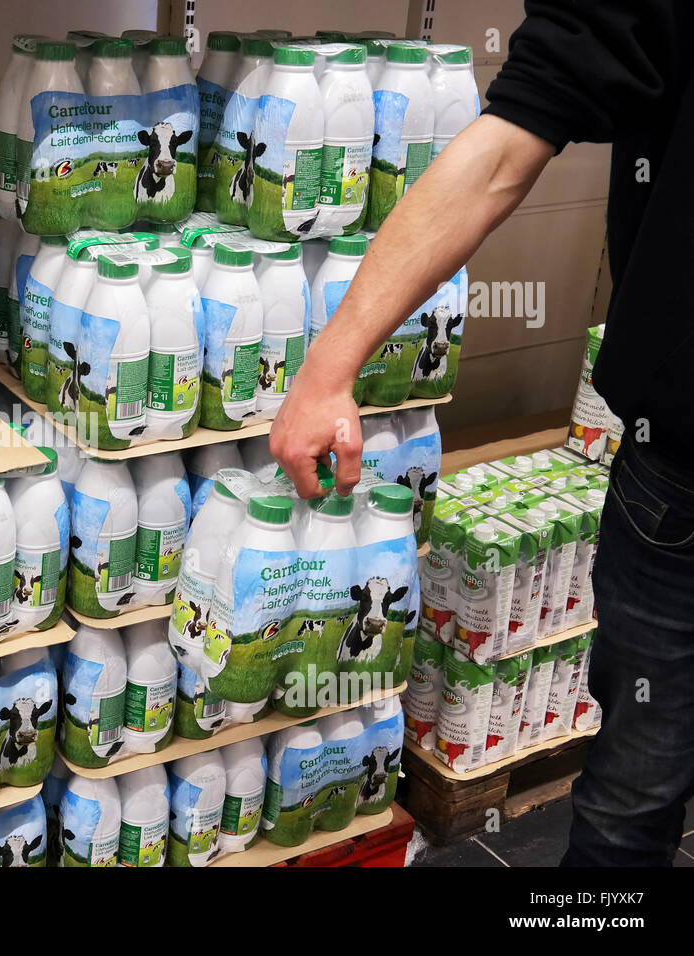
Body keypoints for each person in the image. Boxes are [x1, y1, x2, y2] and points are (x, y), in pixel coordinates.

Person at [269, 1, 694, 866]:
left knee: (632, 802)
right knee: (631, 800)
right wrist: (328, 366)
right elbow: (514, 136)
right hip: (682, 470)